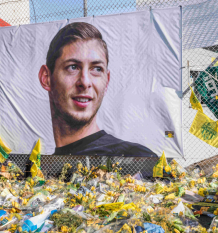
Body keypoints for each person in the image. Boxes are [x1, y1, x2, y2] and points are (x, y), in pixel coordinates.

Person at [38, 22, 157, 157]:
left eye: (96, 69)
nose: (85, 82)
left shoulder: (137, 159)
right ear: (46, 78)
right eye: (73, 67)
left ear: (106, 82)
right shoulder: (40, 170)